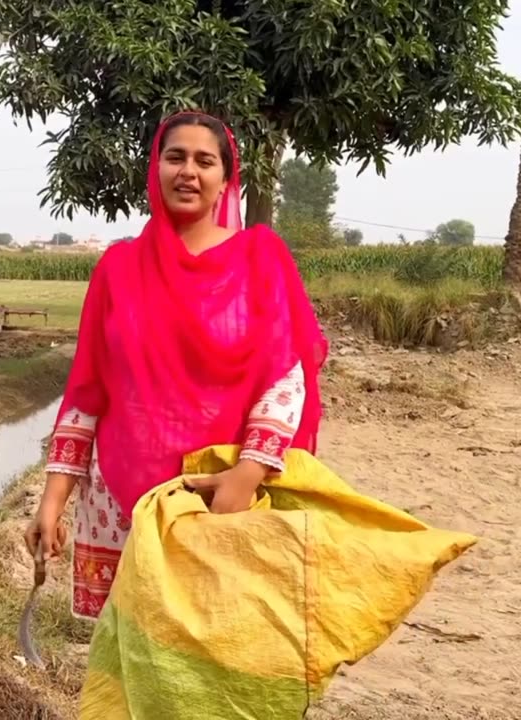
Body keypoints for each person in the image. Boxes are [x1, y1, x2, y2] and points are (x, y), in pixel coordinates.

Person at [24, 110, 328, 620]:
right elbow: (88, 392)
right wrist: (53, 500)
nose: (189, 171)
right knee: (130, 662)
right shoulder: (118, 270)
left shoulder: (259, 260)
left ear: (226, 180)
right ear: (155, 168)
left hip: (216, 498)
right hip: (121, 503)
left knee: (211, 654)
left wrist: (246, 476)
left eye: (204, 160)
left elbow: (284, 380)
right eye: (175, 157)